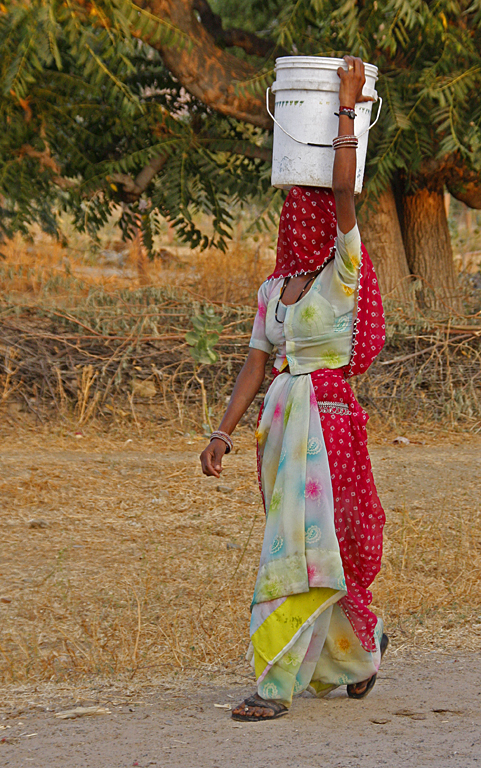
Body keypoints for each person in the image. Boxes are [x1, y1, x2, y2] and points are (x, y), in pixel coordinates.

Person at [200, 56, 388, 721]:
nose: (299, 221)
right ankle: (357, 656)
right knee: (306, 545)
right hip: (279, 426)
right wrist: (221, 431)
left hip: (328, 421)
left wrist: (343, 104)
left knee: (303, 547)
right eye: (294, 213)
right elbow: (254, 364)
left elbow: (342, 197)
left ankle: (273, 684)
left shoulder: (343, 271)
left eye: (305, 211)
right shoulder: (272, 291)